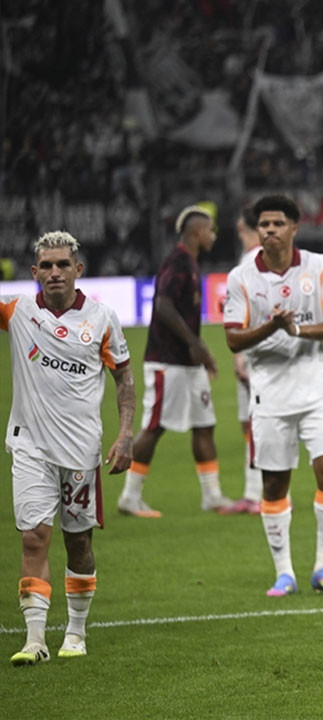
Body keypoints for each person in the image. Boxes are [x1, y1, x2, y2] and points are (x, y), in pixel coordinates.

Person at [4, 231, 135, 664]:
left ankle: (75, 633)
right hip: (30, 447)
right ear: (34, 272)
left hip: (81, 451)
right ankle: (35, 640)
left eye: (63, 265)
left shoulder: (101, 318)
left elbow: (124, 380)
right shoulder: (19, 311)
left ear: (79, 270)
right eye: (46, 265)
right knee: (33, 537)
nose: (55, 272)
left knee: (78, 542)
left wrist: (126, 432)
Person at [223, 195, 323, 597]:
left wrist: (297, 331)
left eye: (278, 224)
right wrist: (272, 328)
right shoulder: (241, 277)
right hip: (270, 394)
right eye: (264, 225)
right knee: (275, 483)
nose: (270, 231)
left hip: (318, 387)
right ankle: (284, 572)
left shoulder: (319, 266)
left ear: (294, 228)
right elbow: (231, 338)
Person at [117, 206, 229, 517]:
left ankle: (213, 496)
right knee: (154, 427)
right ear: (196, 233)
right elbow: (163, 305)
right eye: (210, 230)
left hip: (189, 364)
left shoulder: (190, 263)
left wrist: (202, 352)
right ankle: (129, 496)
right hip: (168, 361)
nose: (214, 235)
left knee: (205, 425)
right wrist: (194, 344)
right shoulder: (177, 262)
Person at [223, 208, 264, 515]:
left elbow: (245, 311)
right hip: (255, 348)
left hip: (254, 351)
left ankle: (257, 494)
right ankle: (260, 488)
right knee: (251, 422)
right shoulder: (255, 258)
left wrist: (240, 355)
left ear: (241, 225)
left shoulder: (252, 261)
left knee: (258, 421)